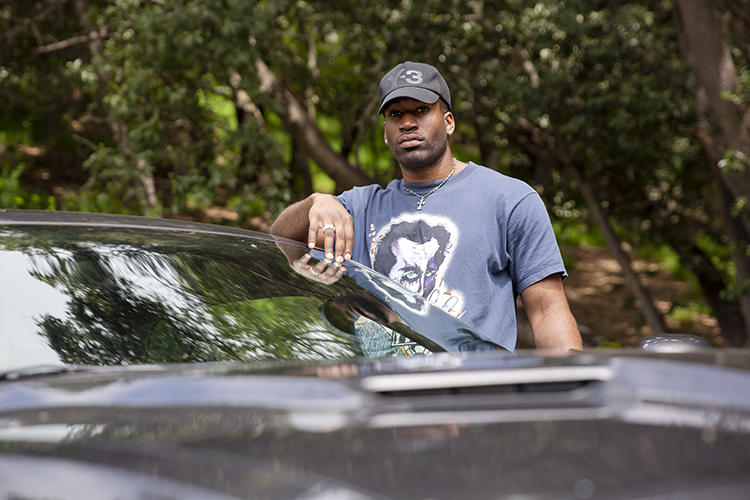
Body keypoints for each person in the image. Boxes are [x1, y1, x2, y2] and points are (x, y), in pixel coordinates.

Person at [270, 61, 582, 352]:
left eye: (421, 110)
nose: (407, 123)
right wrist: (316, 202)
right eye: (394, 114)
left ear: (448, 122)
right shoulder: (361, 207)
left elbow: (546, 309)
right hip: (381, 401)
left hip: (475, 398)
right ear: (385, 133)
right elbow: (283, 239)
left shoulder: (509, 199)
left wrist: (572, 390)